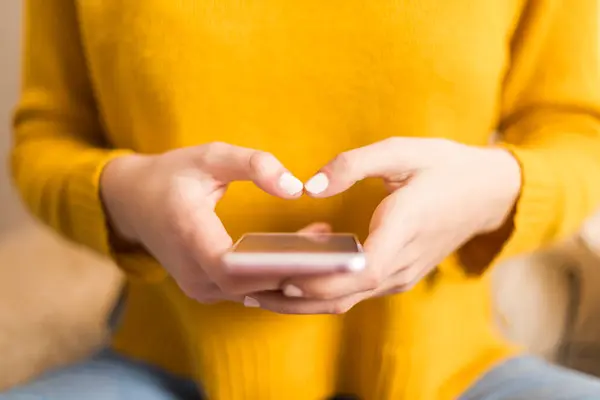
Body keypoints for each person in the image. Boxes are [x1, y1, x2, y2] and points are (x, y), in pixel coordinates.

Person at [3, 0, 600, 399]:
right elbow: (45, 138)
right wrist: (125, 195)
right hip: (167, 367)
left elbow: (579, 135)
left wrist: (493, 189)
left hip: (452, 376)